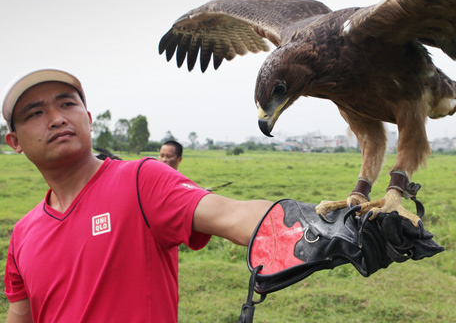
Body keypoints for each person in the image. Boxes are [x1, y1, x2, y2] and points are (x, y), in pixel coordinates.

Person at [1, 69, 273, 323]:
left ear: (89, 119)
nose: (57, 118)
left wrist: (305, 223)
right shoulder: (22, 234)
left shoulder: (141, 181)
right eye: (35, 113)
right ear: (15, 142)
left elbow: (231, 214)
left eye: (68, 104)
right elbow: (20, 314)